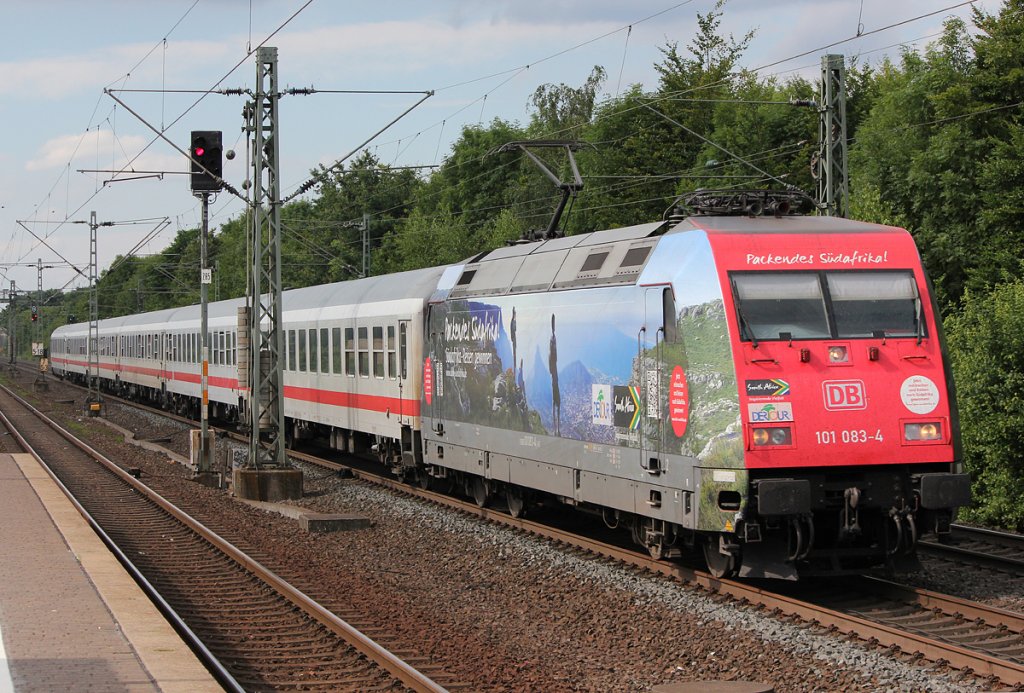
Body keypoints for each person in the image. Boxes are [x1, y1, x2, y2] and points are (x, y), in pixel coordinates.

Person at [549, 313, 559, 436]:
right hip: (554, 376)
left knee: (556, 401)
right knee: (556, 401)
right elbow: (552, 357)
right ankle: (555, 427)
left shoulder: (553, 339)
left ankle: (556, 427)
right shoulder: (552, 340)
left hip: (554, 375)